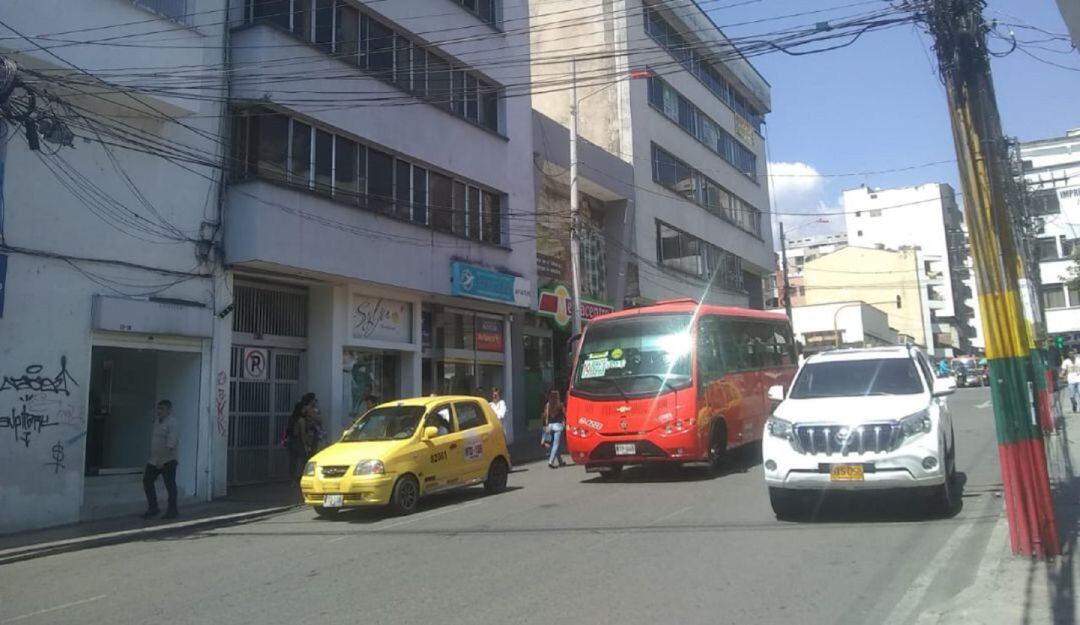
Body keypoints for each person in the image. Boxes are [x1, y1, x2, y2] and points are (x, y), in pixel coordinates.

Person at [142, 400, 179, 519]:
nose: (159, 411)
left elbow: (171, 443)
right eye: (158, 409)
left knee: (170, 485)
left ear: (168, 410)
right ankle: (153, 508)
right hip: (154, 459)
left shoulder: (172, 423)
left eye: (162, 409)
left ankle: (172, 510)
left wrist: (162, 460)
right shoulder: (157, 422)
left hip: (168, 459)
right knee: (147, 481)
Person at [286, 399, 310, 480]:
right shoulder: (301, 420)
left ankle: (291, 479)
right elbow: (302, 434)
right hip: (298, 442)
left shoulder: (292, 418)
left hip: (291, 441)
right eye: (304, 409)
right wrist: (305, 445)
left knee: (293, 462)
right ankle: (300, 478)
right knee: (303, 461)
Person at [542, 389, 566, 469]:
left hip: (549, 426)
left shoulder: (548, 405)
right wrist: (565, 423)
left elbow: (544, 416)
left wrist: (545, 426)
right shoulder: (560, 405)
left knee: (553, 445)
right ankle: (551, 462)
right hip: (558, 426)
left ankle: (560, 461)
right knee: (556, 445)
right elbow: (565, 415)